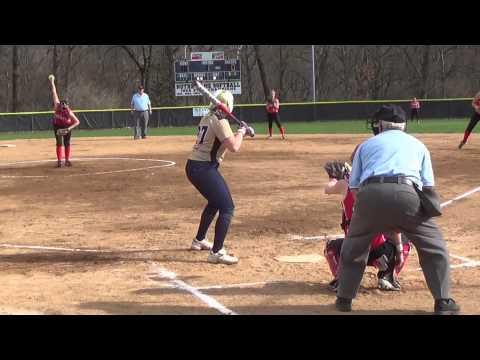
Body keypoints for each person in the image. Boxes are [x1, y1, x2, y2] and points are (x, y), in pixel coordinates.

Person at [335, 104, 460, 315]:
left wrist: (368, 211)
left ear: (382, 125)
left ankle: (344, 299)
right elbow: (428, 187)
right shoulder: (418, 145)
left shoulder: (366, 145)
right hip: (407, 193)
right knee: (434, 247)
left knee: (354, 247)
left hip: (370, 193)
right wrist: (422, 212)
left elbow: (354, 186)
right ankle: (443, 301)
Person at [186, 90, 254, 265]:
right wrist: (242, 132)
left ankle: (199, 240)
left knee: (215, 202)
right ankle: (217, 252)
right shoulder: (220, 120)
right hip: (204, 168)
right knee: (227, 207)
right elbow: (234, 147)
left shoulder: (208, 117)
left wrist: (241, 131)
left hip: (195, 166)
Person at [323, 160, 410, 292]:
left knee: (331, 246)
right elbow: (394, 226)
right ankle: (387, 276)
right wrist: (399, 251)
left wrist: (334, 178)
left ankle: (342, 278)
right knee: (403, 241)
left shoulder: (345, 184)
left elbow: (328, 188)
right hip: (379, 253)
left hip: (352, 251)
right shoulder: (380, 187)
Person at [49, 75, 80, 168]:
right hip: (57, 126)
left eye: (64, 106)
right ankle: (59, 161)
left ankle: (66, 160)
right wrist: (52, 82)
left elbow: (77, 122)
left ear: (67, 106)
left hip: (67, 127)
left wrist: (68, 128)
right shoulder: (57, 106)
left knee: (67, 143)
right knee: (59, 143)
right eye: (62, 106)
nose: (63, 107)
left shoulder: (69, 112)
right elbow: (54, 92)